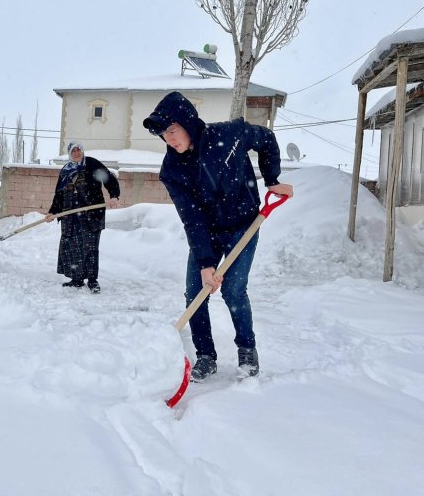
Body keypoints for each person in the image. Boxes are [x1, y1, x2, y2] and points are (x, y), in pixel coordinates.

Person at [143, 91, 293, 381]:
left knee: (233, 291)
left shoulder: (230, 134)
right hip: (207, 231)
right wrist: (205, 262)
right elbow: (192, 217)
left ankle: (247, 351)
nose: (170, 139)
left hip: (243, 226)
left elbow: (266, 140)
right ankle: (205, 356)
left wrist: (272, 179)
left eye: (173, 131)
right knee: (195, 293)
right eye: (164, 135)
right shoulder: (172, 169)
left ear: (187, 122)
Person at [44, 141, 120, 293]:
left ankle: (92, 280)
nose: (77, 153)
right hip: (70, 216)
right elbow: (59, 194)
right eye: (73, 151)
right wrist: (53, 211)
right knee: (73, 247)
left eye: (79, 150)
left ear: (83, 151)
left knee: (90, 247)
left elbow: (108, 179)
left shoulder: (91, 164)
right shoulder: (66, 170)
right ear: (70, 154)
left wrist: (114, 195)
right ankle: (77, 278)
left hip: (90, 215)